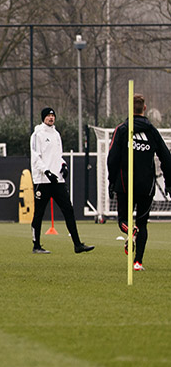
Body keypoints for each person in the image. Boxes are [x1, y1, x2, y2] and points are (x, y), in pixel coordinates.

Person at [106, 93, 171, 271]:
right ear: (144, 108)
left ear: (129, 107)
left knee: (123, 220)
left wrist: (111, 181)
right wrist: (169, 183)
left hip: (125, 184)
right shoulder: (152, 131)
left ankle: (129, 231)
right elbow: (166, 158)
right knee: (142, 223)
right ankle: (138, 262)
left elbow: (112, 158)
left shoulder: (122, 129)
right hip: (146, 186)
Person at [29, 107, 94, 254]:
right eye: (48, 116)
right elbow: (35, 157)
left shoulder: (56, 134)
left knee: (68, 210)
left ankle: (77, 244)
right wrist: (46, 171)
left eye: (53, 115)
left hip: (57, 180)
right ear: (43, 117)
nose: (51, 118)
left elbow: (57, 155)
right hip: (43, 180)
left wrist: (63, 165)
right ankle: (36, 245)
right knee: (39, 213)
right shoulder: (37, 134)